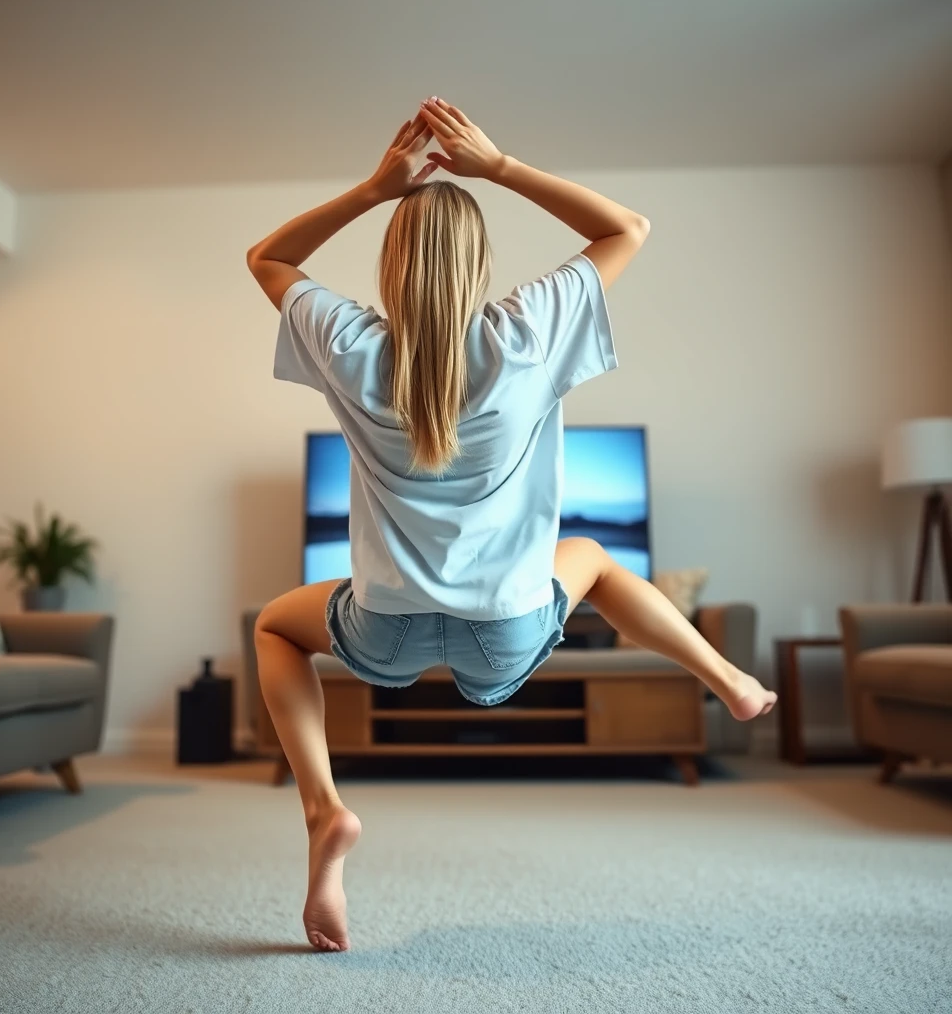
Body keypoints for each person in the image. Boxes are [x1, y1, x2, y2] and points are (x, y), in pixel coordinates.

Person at [246, 97, 777, 953]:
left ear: (392, 266)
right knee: (594, 559)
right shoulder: (525, 335)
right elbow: (626, 229)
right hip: (507, 629)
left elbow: (266, 257)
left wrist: (374, 190)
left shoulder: (348, 342)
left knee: (275, 625)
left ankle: (324, 809)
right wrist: (499, 168)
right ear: (479, 264)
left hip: (385, 628)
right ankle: (728, 681)